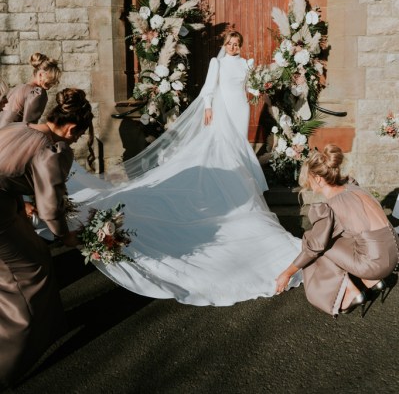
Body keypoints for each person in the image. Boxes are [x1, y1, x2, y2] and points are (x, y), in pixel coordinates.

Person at [70, 31, 302, 306]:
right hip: (222, 109)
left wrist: (257, 89)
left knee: (239, 146)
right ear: (224, 45)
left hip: (240, 109)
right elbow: (209, 87)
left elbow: (250, 89)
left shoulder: (246, 63)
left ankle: (240, 178)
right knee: (224, 149)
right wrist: (207, 107)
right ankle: (228, 183)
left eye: (237, 43)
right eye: (229, 43)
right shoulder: (218, 63)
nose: (233, 47)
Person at [0, 88, 94, 386]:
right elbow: (50, 205)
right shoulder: (48, 151)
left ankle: (50, 326)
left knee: (36, 254)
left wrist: (19, 200)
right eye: (79, 136)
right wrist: (65, 237)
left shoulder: (19, 126)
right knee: (30, 275)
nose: (77, 141)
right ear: (70, 128)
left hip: (7, 206)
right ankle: (7, 362)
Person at [275, 145, 399, 317]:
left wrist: (287, 273)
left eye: (309, 180)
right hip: (394, 253)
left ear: (318, 179)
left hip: (375, 264)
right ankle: (372, 281)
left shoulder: (330, 206)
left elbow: (314, 247)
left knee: (313, 240)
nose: (308, 186)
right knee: (337, 235)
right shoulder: (352, 187)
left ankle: (350, 291)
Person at [0, 52, 61, 128]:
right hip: (14, 136)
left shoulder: (17, 88)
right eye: (50, 80)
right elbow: (29, 127)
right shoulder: (37, 93)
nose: (53, 84)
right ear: (40, 75)